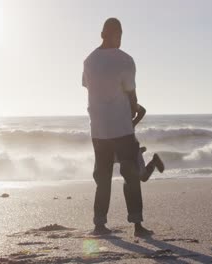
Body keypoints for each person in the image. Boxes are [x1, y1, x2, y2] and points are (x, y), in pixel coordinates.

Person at [82, 18, 152, 236]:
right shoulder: (125, 60)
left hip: (99, 129)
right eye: (117, 34)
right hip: (121, 128)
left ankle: (99, 223)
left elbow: (88, 86)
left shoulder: (89, 61)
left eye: (120, 34)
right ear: (105, 34)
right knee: (130, 175)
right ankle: (137, 225)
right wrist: (136, 110)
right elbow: (131, 93)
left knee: (102, 177)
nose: (119, 38)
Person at [131, 103, 164, 182]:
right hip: (123, 147)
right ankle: (140, 152)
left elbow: (142, 110)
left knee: (143, 177)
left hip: (131, 147)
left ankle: (154, 161)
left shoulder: (126, 101)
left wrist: (133, 122)